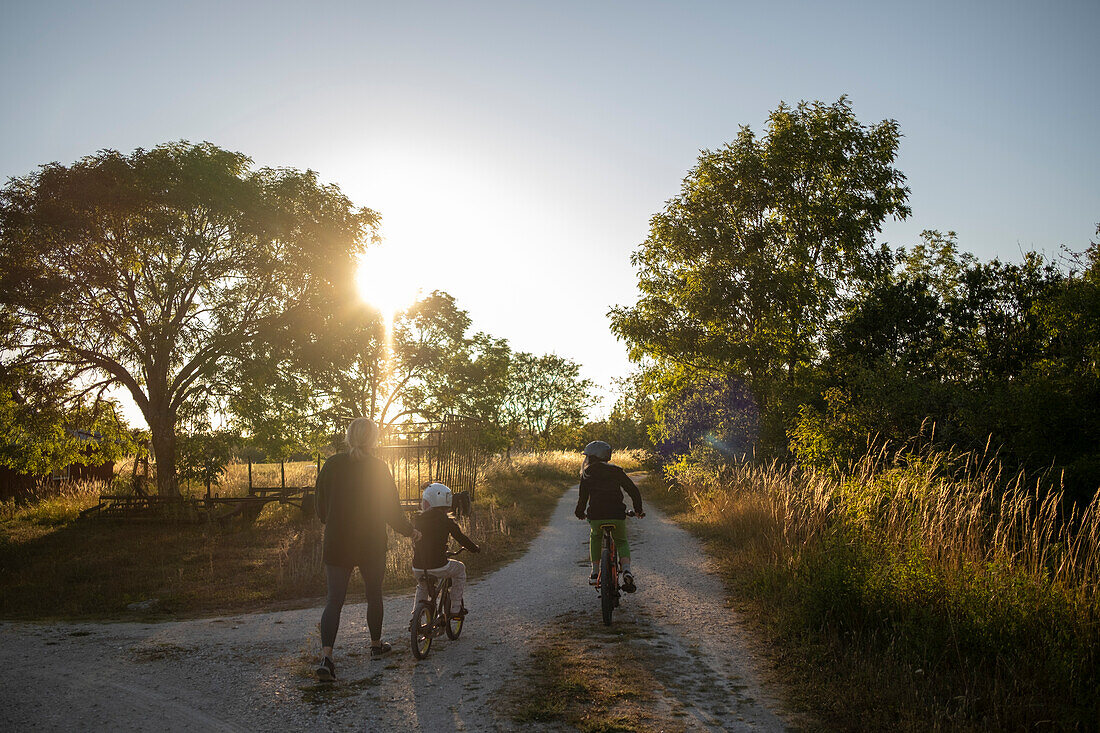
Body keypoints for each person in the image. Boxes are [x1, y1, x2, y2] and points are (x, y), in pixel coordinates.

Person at [314, 417, 419, 681]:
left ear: (349, 437)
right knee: (374, 594)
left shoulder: (332, 464)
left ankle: (327, 657)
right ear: (374, 440)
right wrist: (411, 531)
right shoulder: (379, 468)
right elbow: (391, 511)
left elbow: (320, 508)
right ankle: (375, 645)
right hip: (371, 543)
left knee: (334, 601)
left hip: (337, 542)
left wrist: (335, 521)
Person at [574, 440, 645, 592]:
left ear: (592, 457)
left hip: (596, 516)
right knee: (621, 541)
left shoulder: (587, 473)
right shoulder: (617, 471)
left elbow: (582, 498)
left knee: (595, 537)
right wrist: (638, 509)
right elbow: (633, 491)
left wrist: (579, 512)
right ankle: (626, 570)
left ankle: (594, 573)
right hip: (617, 514)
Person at [411, 482, 480, 620]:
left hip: (418, 566)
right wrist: (474, 548)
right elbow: (461, 538)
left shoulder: (415, 520)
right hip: (439, 566)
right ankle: (455, 607)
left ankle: (416, 617)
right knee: (460, 569)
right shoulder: (446, 521)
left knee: (422, 585)